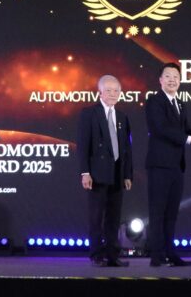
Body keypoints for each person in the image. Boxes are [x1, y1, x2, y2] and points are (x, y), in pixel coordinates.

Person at [145, 62, 191, 267]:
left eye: (176, 77)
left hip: (176, 166)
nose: (172, 80)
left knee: (172, 212)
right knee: (158, 211)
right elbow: (161, 129)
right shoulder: (154, 101)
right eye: (168, 76)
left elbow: (182, 130)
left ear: (180, 81)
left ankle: (170, 253)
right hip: (159, 165)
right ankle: (156, 256)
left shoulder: (180, 103)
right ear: (160, 80)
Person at [77, 75, 133, 267]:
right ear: (100, 92)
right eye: (108, 90)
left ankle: (112, 255)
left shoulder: (122, 117)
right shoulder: (89, 113)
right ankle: (96, 255)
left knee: (114, 217)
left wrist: (127, 174)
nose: (112, 94)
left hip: (117, 173)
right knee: (96, 217)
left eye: (116, 91)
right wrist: (85, 172)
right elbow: (83, 145)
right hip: (97, 174)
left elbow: (127, 148)